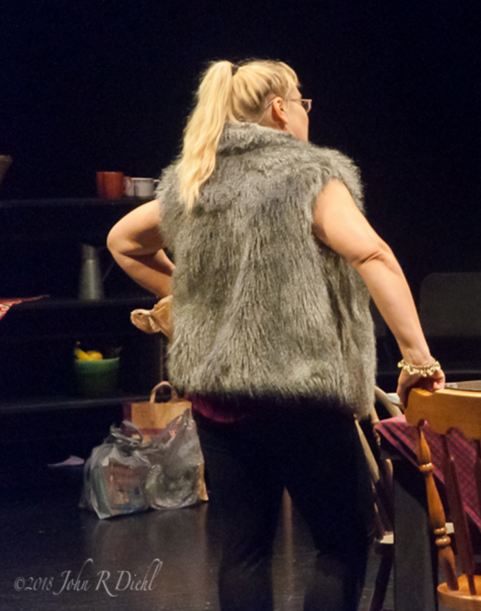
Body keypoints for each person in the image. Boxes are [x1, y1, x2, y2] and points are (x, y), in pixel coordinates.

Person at [107, 59, 444, 611]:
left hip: (220, 403)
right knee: (339, 543)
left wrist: (201, 293)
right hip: (301, 395)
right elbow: (373, 253)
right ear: (280, 109)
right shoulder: (308, 175)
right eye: (303, 102)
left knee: (243, 551)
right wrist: (418, 358)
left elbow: (123, 241)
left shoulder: (196, 178)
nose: (308, 113)